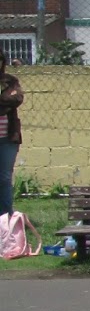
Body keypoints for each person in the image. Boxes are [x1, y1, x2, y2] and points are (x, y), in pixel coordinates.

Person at [0, 53, 21, 217]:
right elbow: (9, 100)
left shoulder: (10, 80)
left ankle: (6, 215)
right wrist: (5, 99)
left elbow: (17, 99)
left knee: (5, 178)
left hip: (8, 137)